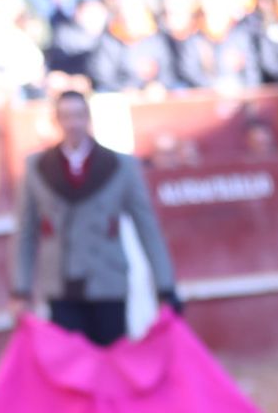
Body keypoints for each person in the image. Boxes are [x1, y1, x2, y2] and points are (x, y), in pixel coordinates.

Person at [10, 90, 180, 347]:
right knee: (71, 371)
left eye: (78, 116)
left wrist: (165, 286)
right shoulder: (37, 167)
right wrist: (20, 289)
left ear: (88, 118)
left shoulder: (121, 166)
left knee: (111, 366)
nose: (73, 124)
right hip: (60, 284)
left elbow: (148, 228)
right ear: (57, 121)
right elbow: (25, 233)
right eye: (66, 117)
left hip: (107, 282)